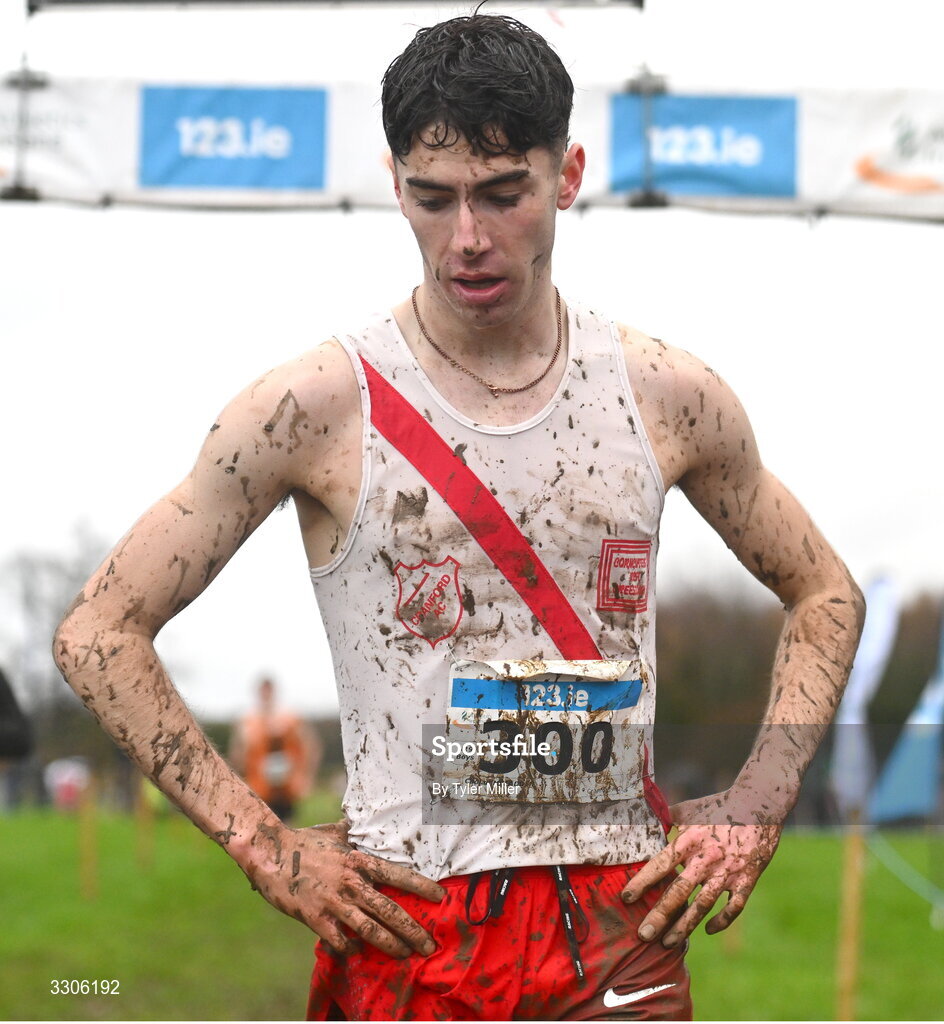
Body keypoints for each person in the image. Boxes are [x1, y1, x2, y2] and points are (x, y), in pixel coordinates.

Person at [53, 13, 864, 1021]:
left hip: (614, 923)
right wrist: (263, 847)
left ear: (565, 175)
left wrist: (755, 803)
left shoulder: (665, 394)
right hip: (411, 923)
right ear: (393, 183)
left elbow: (823, 590)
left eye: (502, 195)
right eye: (433, 201)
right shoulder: (311, 405)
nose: (467, 238)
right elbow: (98, 630)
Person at [229, 676, 320, 823]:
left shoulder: (290, 718)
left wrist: (307, 777)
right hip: (258, 786)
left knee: (288, 828)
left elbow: (310, 746)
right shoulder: (247, 721)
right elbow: (237, 753)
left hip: (287, 787)